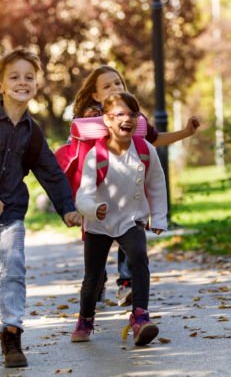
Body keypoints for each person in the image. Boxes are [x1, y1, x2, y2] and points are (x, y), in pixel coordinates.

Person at [0, 47, 81, 368]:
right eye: (14, 77)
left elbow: (51, 172)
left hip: (12, 210)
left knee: (14, 266)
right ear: (0, 85)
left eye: (29, 77)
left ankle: (12, 334)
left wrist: (67, 208)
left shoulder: (33, 133)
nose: (22, 82)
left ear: (36, 86)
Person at [72, 65, 200, 307]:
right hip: (99, 190)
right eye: (107, 86)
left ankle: (127, 284)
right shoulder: (94, 118)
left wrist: (185, 132)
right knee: (96, 255)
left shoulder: (131, 117)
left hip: (127, 193)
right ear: (96, 96)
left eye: (118, 83)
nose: (115, 88)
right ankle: (96, 287)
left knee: (131, 235)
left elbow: (153, 138)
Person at [71, 91, 167, 346]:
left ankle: (140, 316)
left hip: (130, 218)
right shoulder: (96, 155)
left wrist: (157, 217)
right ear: (107, 121)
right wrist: (93, 209)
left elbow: (156, 183)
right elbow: (84, 194)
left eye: (133, 114)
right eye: (120, 114)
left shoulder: (145, 150)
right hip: (99, 222)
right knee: (93, 278)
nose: (128, 119)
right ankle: (86, 318)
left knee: (139, 257)